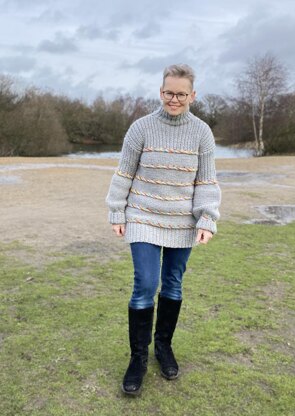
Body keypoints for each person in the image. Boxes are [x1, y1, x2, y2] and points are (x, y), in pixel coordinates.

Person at [105, 64, 221, 396]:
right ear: (161, 91)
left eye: (181, 94)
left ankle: (163, 347)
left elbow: (206, 181)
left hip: (182, 221)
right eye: (169, 92)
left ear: (192, 95)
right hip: (142, 216)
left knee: (172, 284)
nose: (174, 99)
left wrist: (207, 219)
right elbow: (124, 173)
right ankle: (138, 359)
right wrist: (117, 212)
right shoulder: (140, 128)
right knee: (145, 283)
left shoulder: (202, 133)